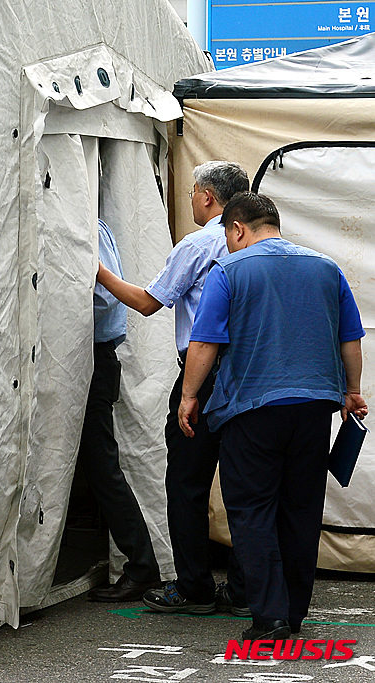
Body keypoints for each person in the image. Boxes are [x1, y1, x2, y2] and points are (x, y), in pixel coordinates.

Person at [179, 192, 368, 641]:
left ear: (237, 228)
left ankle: (270, 619)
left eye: (227, 236)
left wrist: (189, 396)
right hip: (314, 409)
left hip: (251, 409)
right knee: (301, 510)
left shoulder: (229, 271)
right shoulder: (326, 268)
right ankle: (295, 613)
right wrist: (352, 390)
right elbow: (350, 339)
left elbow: (205, 343)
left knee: (252, 511)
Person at [97, 161, 250, 615]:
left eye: (192, 193)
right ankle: (243, 591)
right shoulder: (258, 241)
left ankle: (193, 588)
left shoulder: (200, 242)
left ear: (206, 196)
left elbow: (147, 302)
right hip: (248, 374)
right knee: (246, 484)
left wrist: (97, 270)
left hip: (201, 375)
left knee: (187, 481)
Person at [85, 219, 161, 603]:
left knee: (102, 464)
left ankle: (142, 566)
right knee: (97, 464)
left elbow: (106, 297)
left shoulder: (90, 228)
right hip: (85, 356)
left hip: (92, 356)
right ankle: (142, 564)